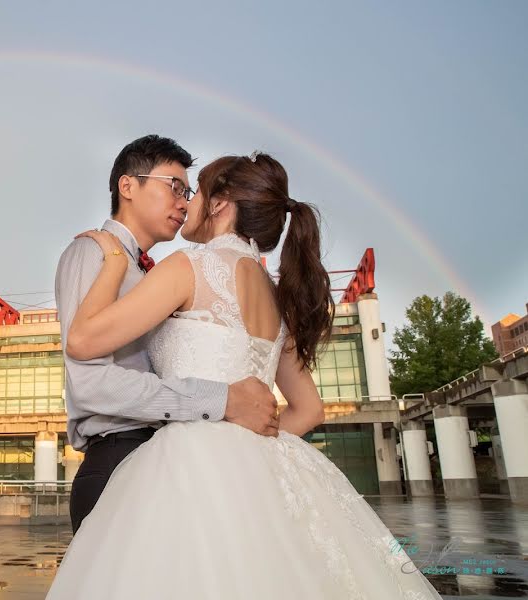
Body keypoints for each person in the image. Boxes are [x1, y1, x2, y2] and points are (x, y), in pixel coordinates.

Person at [46, 152, 442, 599]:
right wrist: (250, 449)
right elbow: (309, 409)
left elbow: (81, 341)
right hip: (259, 472)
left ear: (220, 202)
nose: (187, 201)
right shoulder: (275, 297)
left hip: (183, 464)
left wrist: (115, 258)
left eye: (195, 191)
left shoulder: (190, 267)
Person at [54, 135, 280, 535]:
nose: (183, 201)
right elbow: (89, 383)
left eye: (188, 191)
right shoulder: (92, 253)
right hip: (117, 459)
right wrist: (222, 398)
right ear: (128, 186)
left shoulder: (159, 273)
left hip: (169, 459)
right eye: (173, 186)